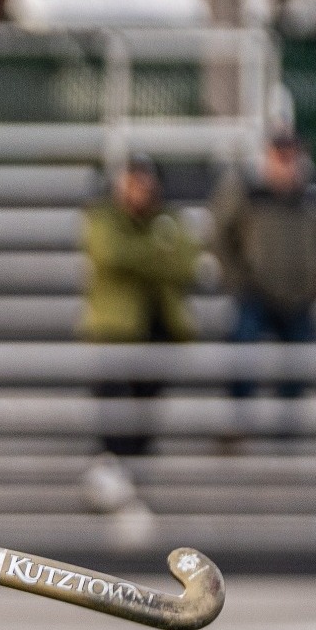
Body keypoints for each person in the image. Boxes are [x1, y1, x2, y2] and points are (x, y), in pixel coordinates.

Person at [78, 154, 199, 521]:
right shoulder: (104, 218)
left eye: (144, 181)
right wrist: (156, 253)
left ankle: (125, 486)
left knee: (145, 417)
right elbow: (111, 254)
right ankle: (113, 488)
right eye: (132, 181)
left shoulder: (170, 220)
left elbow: (187, 263)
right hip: (114, 333)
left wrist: (148, 256)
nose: (138, 189)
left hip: (159, 332)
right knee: (115, 416)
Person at [213, 130, 316, 400]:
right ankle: (239, 422)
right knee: (242, 351)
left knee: (297, 366)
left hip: (301, 296)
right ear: (268, 156)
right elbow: (220, 235)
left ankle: (287, 430)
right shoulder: (248, 192)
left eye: (292, 155)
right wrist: (236, 279)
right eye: (279, 154)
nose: (286, 162)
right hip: (255, 293)